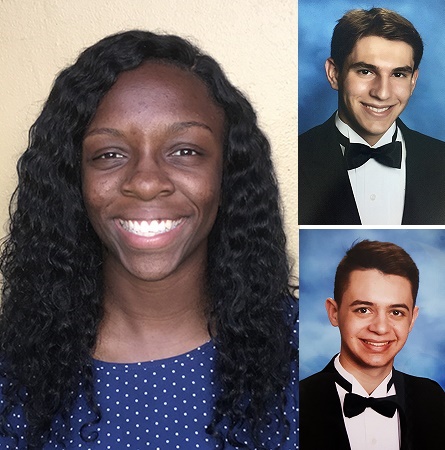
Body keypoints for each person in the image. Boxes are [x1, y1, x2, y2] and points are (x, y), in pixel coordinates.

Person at [0, 30, 297, 449]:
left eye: (185, 151)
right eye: (109, 154)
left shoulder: (314, 350)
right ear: (73, 179)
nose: (144, 182)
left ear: (228, 173)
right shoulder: (14, 371)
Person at [298, 7, 445, 225]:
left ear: (413, 81)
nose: (382, 93)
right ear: (334, 74)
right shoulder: (293, 157)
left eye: (398, 74)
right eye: (366, 71)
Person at [300, 240, 445, 449]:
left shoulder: (433, 401)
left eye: (396, 312)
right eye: (364, 310)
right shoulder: (299, 401)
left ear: (412, 319)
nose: (380, 328)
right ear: (334, 312)